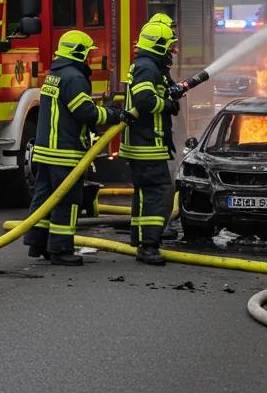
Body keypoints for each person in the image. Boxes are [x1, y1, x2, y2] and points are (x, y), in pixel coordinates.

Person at [24, 30, 128, 265]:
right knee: (67, 200)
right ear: (79, 52)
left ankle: (38, 243)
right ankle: (61, 250)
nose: (89, 58)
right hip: (65, 152)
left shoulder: (54, 75)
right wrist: (113, 114)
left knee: (44, 197)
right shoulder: (74, 77)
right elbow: (85, 112)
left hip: (45, 150)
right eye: (87, 53)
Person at [120, 18, 179, 266]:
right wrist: (166, 104)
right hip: (147, 144)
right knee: (160, 192)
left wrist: (169, 93)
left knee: (144, 193)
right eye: (168, 46)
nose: (171, 51)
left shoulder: (146, 65)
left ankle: (141, 239)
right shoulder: (147, 67)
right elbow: (144, 100)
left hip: (143, 143)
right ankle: (149, 245)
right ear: (158, 46)